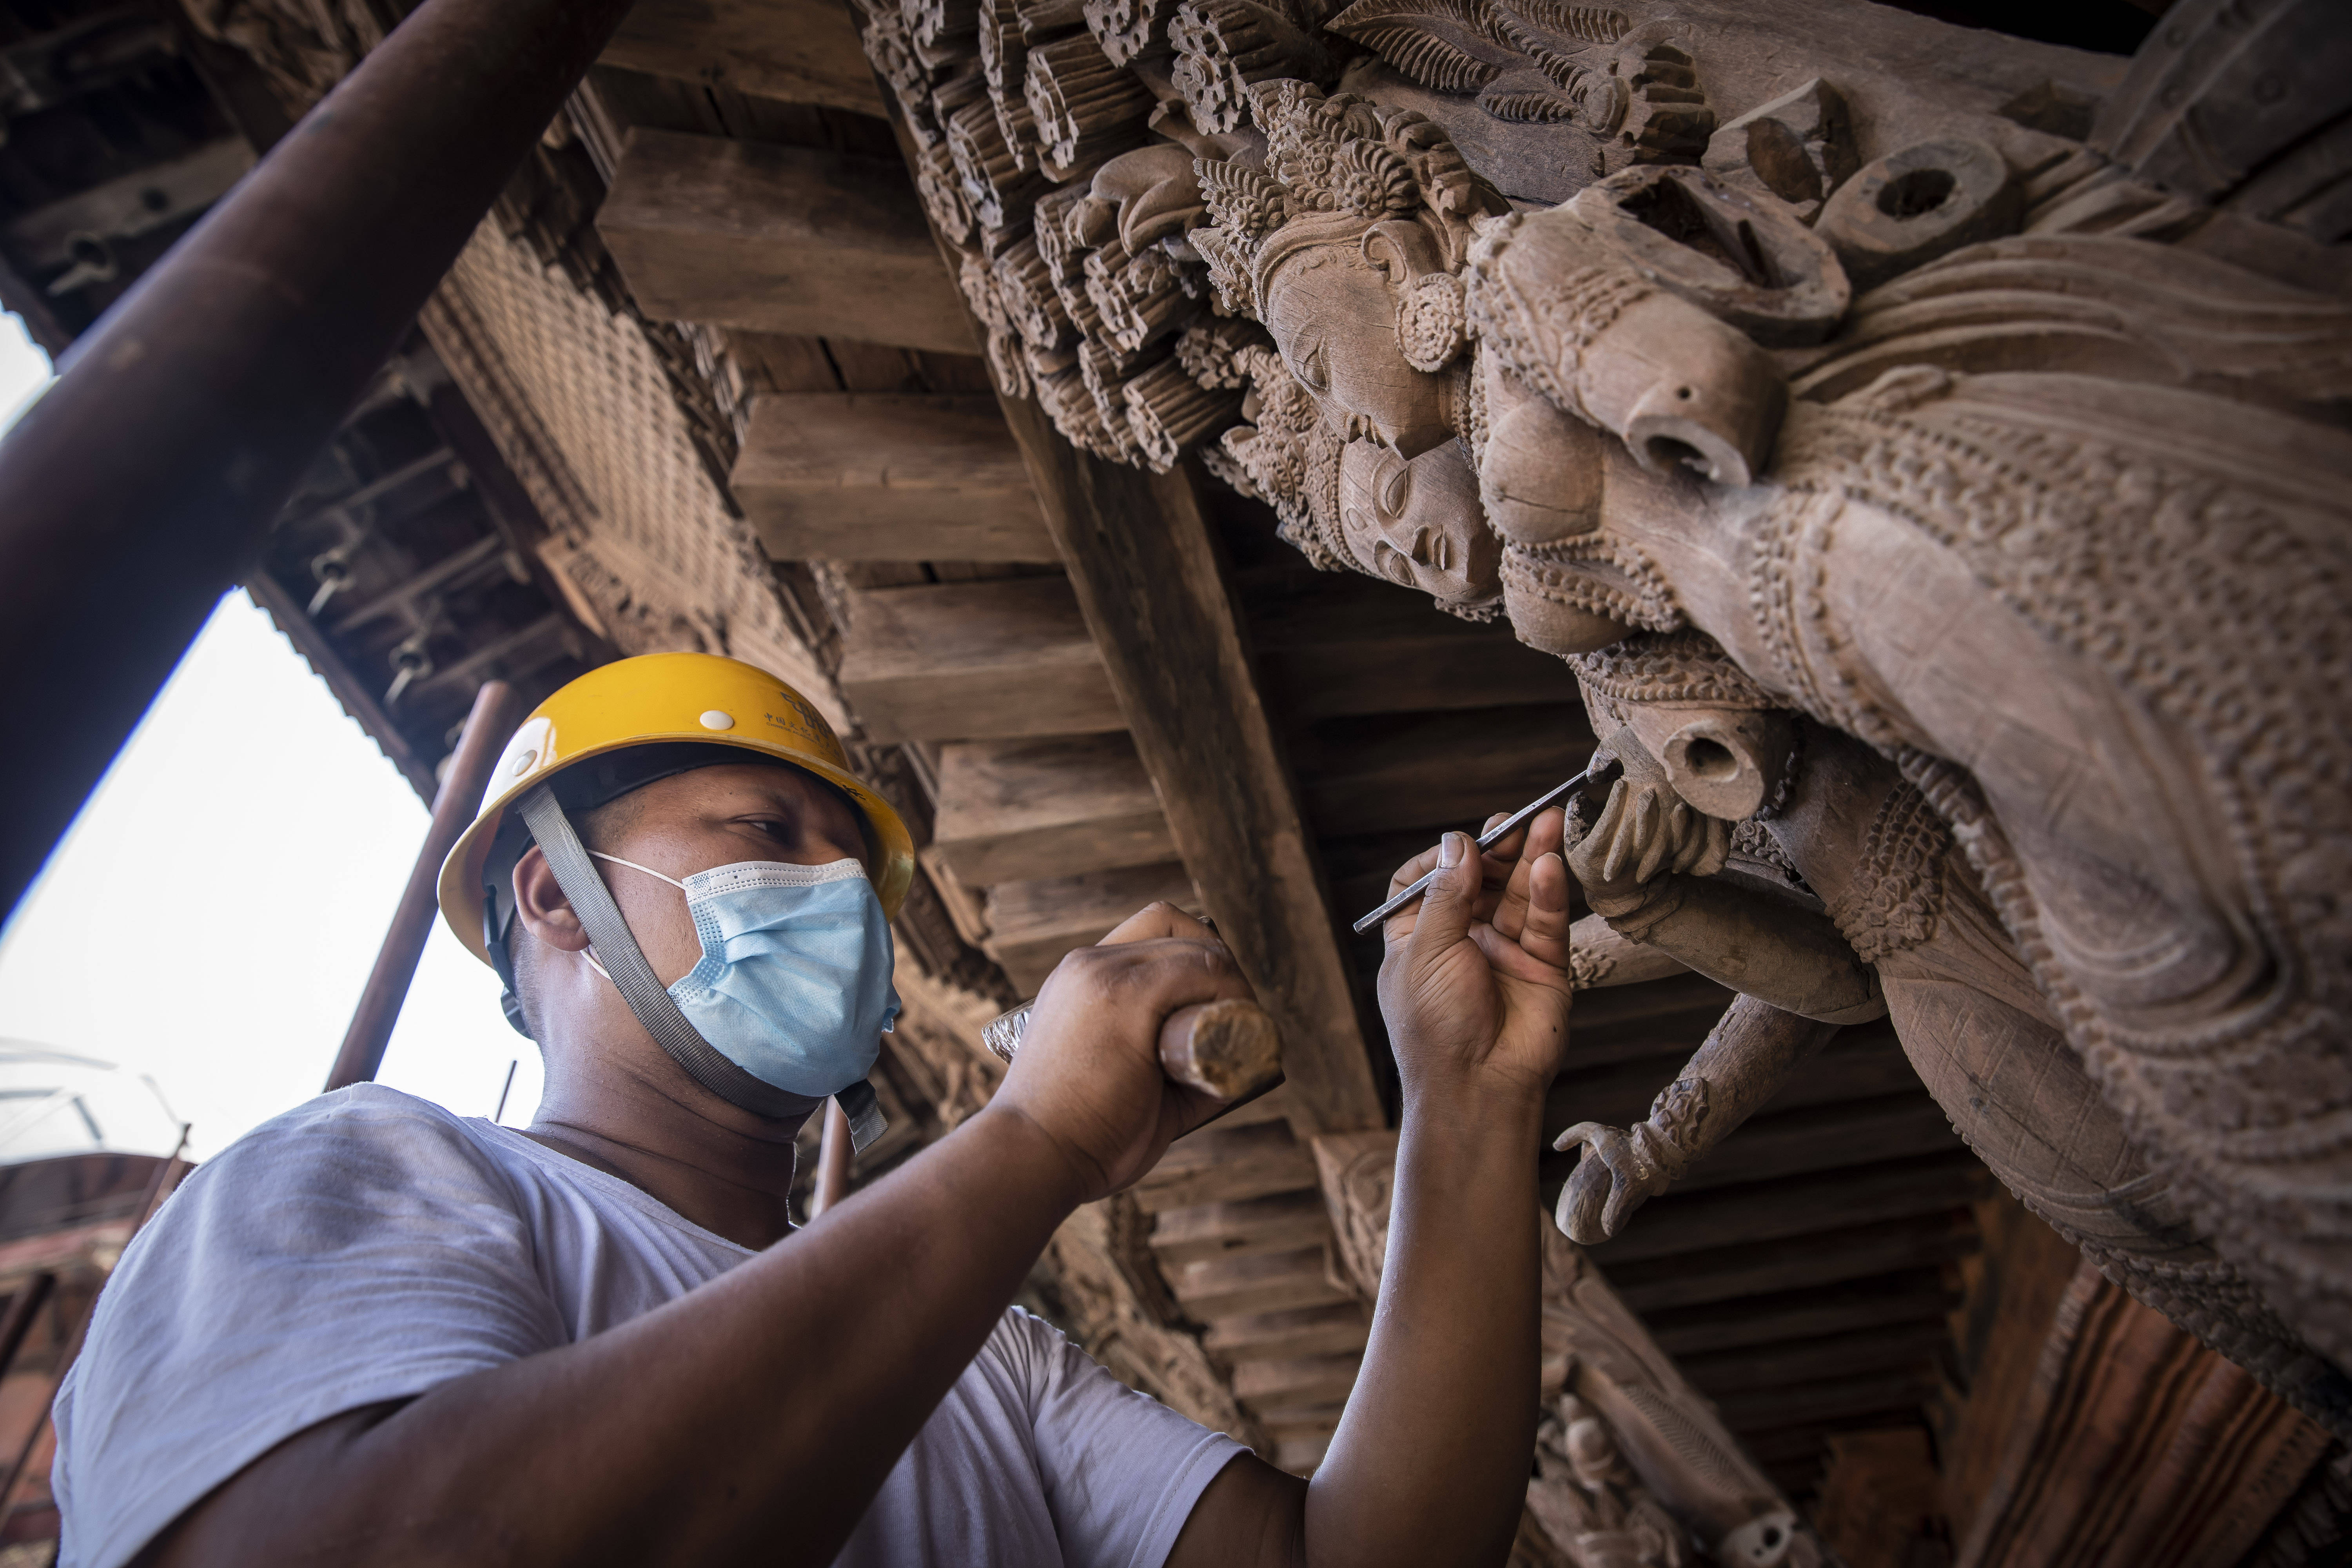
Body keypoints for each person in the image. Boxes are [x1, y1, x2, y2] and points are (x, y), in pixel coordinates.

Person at [52, 651, 1577, 1568]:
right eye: (768, 832)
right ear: (554, 896)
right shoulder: (366, 1173)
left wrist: (1464, 1101)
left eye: (857, 866)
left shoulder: (987, 1357)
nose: (840, 895)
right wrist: (1033, 1142)